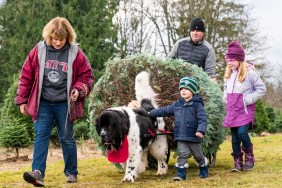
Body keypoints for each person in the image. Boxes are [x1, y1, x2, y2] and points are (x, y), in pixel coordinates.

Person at [15, 17, 94, 187]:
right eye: (54, 39)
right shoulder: (39, 50)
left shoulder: (75, 53)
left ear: (68, 37)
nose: (58, 43)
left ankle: (71, 172)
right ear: (49, 36)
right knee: (41, 135)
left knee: (66, 137)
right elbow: (26, 75)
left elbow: (86, 76)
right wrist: (22, 100)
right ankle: (37, 172)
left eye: (61, 39)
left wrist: (78, 90)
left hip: (64, 103)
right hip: (43, 102)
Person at [149, 77, 209, 181]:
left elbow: (202, 119)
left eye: (186, 88)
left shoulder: (197, 105)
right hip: (181, 135)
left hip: (194, 136)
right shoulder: (178, 104)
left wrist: (201, 130)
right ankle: (181, 174)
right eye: (181, 89)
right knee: (182, 154)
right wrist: (150, 113)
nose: (183, 91)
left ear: (193, 91)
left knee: (198, 155)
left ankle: (203, 167)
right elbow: (165, 110)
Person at [223, 41, 266, 172]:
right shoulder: (228, 74)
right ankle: (237, 163)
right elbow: (225, 88)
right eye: (228, 60)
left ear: (240, 59)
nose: (229, 62)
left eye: (232, 60)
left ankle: (249, 155)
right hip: (232, 110)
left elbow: (261, 88)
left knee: (242, 133)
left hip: (245, 110)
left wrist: (247, 99)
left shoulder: (250, 74)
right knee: (235, 138)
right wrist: (225, 98)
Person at [168, 18, 217, 82]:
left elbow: (210, 73)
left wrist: (214, 88)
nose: (195, 33)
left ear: (203, 33)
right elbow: (168, 60)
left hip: (197, 85)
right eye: (193, 30)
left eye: (198, 31)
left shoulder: (209, 49)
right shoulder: (180, 43)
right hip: (177, 82)